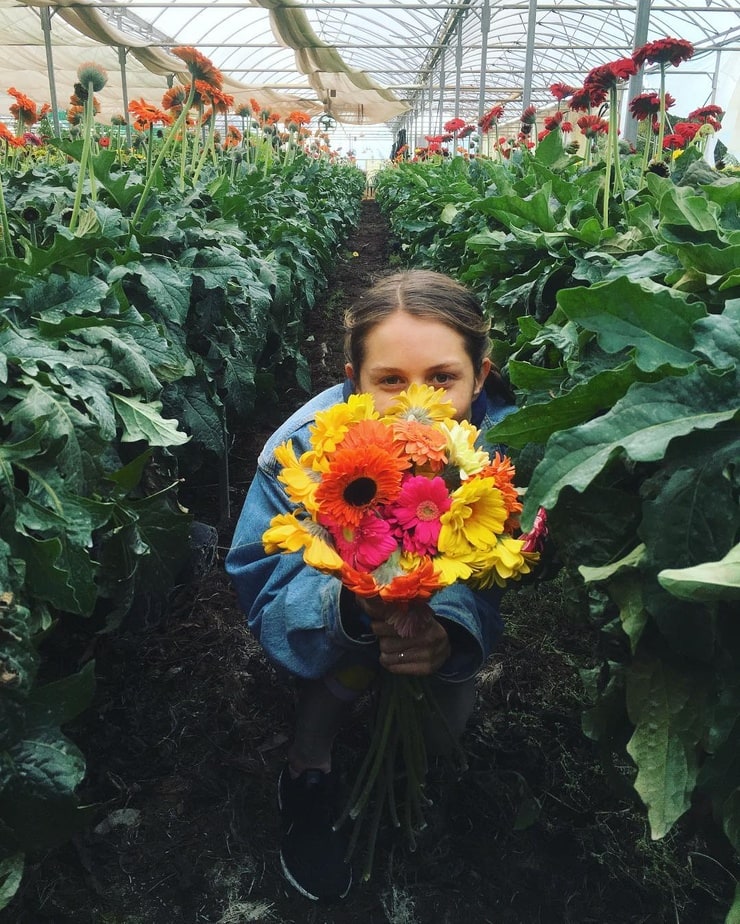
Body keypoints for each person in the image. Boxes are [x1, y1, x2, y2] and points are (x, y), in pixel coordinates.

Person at [225, 269, 517, 902]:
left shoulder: (505, 446)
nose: (420, 404)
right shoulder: (301, 449)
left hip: (436, 614)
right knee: (346, 662)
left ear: (482, 376)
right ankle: (308, 766)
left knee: (437, 736)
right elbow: (262, 583)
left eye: (443, 379)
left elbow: (499, 558)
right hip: (340, 617)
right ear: (352, 381)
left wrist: (446, 629)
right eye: (391, 381)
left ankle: (406, 780)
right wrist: (355, 605)